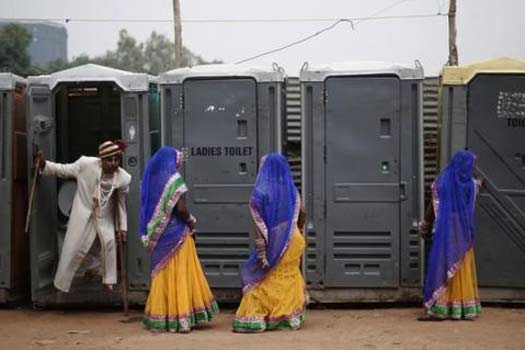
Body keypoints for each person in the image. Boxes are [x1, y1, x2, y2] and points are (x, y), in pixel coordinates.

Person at [34, 140, 131, 292]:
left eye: (117, 159)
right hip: (83, 214)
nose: (113, 163)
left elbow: (120, 204)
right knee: (72, 248)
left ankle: (108, 281)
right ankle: (62, 283)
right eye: (109, 160)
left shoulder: (123, 178)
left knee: (109, 243)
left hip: (104, 218)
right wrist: (45, 165)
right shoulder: (86, 164)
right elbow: (64, 170)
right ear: (101, 159)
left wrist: (122, 227)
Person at [140, 146, 218, 333]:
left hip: (160, 237)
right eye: (178, 160)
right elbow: (181, 209)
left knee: (163, 274)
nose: (179, 164)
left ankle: (162, 317)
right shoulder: (175, 181)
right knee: (181, 274)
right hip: (177, 235)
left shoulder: (153, 182)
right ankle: (182, 318)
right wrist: (191, 222)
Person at [233, 153, 306, 333]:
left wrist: (261, 252)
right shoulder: (290, 190)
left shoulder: (261, 192)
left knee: (265, 276)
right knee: (287, 275)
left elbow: (260, 226)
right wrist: (294, 232)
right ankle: (287, 317)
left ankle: (258, 317)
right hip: (294, 238)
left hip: (274, 240)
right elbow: (302, 213)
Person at [418, 150, 482, 320]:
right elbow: (479, 185)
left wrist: (425, 224)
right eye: (472, 164)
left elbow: (433, 206)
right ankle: (462, 308)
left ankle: (441, 307)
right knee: (460, 268)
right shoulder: (470, 185)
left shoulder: (441, 183)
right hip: (462, 236)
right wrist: (479, 182)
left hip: (444, 235)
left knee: (444, 265)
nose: (473, 167)